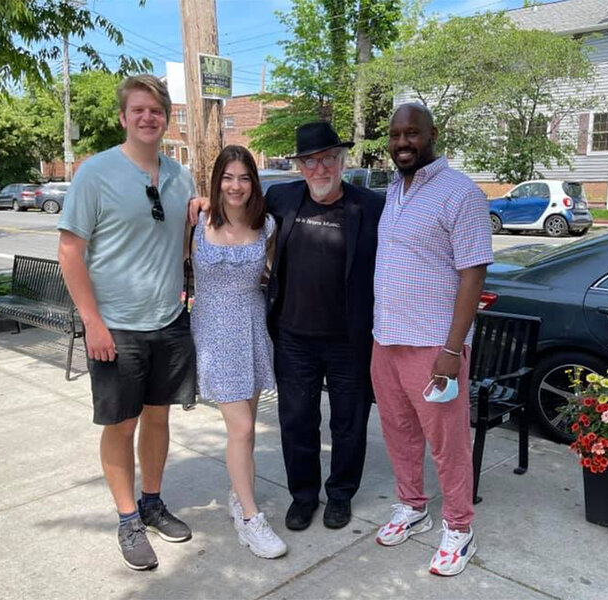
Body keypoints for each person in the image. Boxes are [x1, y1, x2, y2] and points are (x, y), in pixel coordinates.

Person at [189, 122, 384, 532]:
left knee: (348, 422)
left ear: (341, 161)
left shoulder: (369, 205)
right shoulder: (283, 198)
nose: (319, 169)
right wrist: (206, 201)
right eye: (310, 161)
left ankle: (341, 494)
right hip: (293, 337)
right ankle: (304, 496)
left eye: (328, 159)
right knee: (297, 420)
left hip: (349, 337)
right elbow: (239, 211)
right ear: (299, 166)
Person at [57, 74, 196, 572]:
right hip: (115, 325)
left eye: (156, 109)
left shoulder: (181, 176)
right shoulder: (95, 173)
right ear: (123, 116)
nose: (148, 117)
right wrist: (92, 322)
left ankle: (152, 502)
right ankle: (126, 518)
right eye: (138, 109)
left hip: (169, 320)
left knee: (157, 416)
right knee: (121, 424)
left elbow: (182, 238)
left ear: (166, 116)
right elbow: (70, 250)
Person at [371, 103, 494, 577]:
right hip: (386, 339)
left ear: (432, 134)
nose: (403, 142)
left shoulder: (460, 193)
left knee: (448, 443)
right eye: (396, 134)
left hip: (432, 345)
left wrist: (450, 350)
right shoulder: (392, 193)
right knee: (398, 434)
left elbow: (472, 276)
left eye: (412, 134)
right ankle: (412, 506)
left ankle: (459, 528)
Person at [189, 145, 287, 559]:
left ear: (254, 182)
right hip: (212, 331)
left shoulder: (266, 226)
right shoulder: (195, 219)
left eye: (244, 177)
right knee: (243, 429)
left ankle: (236, 494)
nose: (235, 186)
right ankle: (250, 518)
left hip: (251, 329)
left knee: (241, 430)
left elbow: (274, 278)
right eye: (228, 177)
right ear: (217, 181)